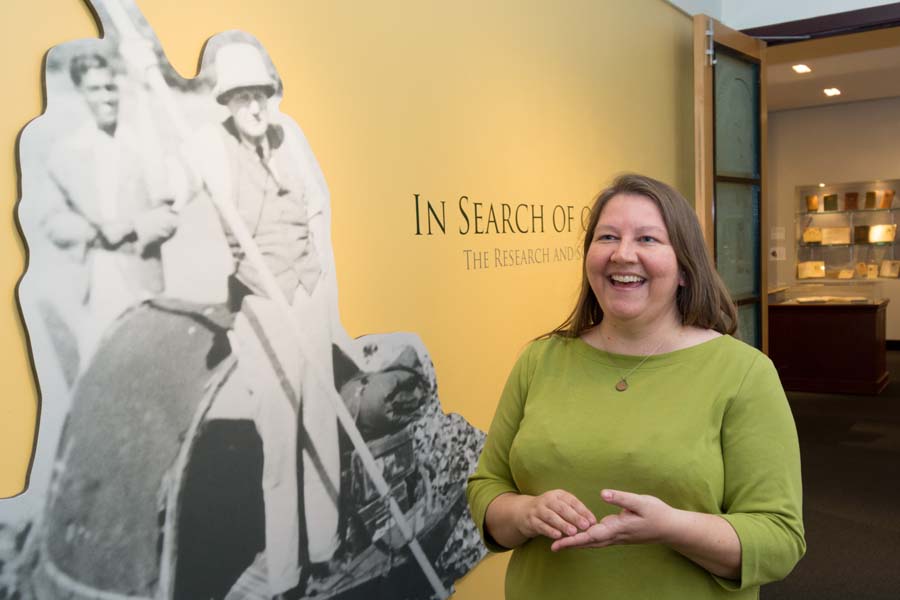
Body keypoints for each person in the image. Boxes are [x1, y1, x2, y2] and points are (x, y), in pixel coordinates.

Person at [466, 174, 805, 599]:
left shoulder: (744, 373)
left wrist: (672, 527)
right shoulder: (539, 360)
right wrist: (525, 511)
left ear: (685, 268)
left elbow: (779, 539)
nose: (623, 255)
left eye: (647, 239)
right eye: (608, 237)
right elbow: (486, 488)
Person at [183, 41, 347, 598]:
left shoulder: (290, 136)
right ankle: (284, 574)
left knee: (321, 424)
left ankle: (325, 551)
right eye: (242, 98)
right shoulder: (212, 147)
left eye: (261, 95)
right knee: (279, 442)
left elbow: (318, 210)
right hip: (259, 307)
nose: (254, 108)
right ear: (227, 103)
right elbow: (195, 215)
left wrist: (328, 305)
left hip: (306, 293)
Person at [38, 52, 178, 369]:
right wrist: (96, 232)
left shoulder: (143, 146)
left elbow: (169, 216)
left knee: (149, 367)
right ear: (81, 94)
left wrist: (130, 226)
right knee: (101, 372)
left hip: (143, 275)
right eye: (95, 89)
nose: (106, 98)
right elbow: (52, 220)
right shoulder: (67, 152)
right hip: (96, 277)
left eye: (110, 88)